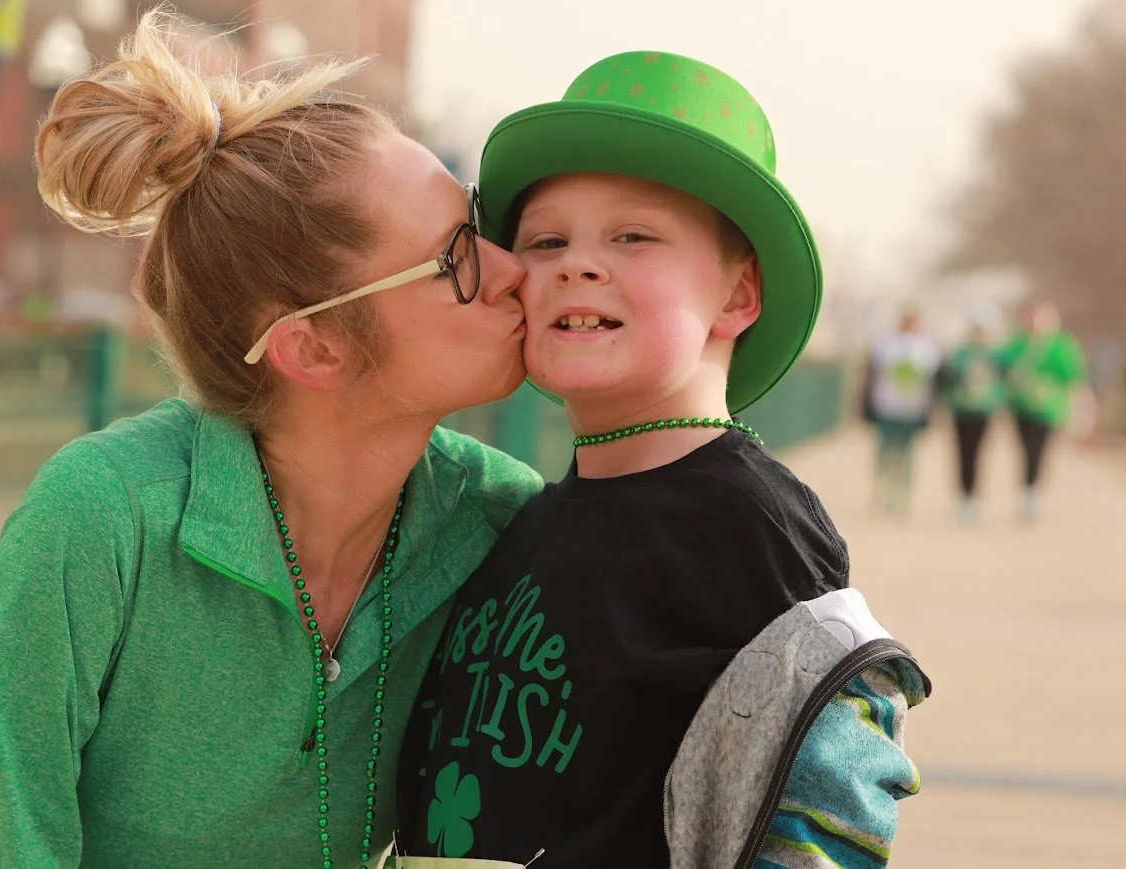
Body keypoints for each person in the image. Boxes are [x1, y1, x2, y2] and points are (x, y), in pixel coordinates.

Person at [0, 12, 543, 869]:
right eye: (456, 257)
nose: (514, 268)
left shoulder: (499, 524)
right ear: (313, 346)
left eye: (479, 226)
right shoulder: (102, 523)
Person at [396, 51, 929, 867]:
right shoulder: (522, 518)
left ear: (738, 296)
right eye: (545, 239)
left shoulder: (749, 524)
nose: (577, 261)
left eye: (634, 235)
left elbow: (835, 796)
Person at [999, 300, 1089, 520]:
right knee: (1024, 448)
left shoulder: (1061, 347)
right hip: (1021, 405)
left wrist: (1080, 402)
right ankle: (1026, 488)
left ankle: (1032, 492)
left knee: (1038, 449)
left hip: (1048, 407)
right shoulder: (1018, 344)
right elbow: (1002, 367)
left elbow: (1073, 375)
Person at [861, 304, 943, 515]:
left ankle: (901, 496)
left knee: (907, 455)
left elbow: (934, 382)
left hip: (913, 409)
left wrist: (932, 410)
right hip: (887, 406)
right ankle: (882, 493)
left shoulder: (928, 347)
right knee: (885, 452)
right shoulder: (884, 344)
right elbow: (871, 374)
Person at [938, 304, 1005, 521]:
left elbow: (1001, 382)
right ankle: (963, 497)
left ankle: (974, 497)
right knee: (962, 454)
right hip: (961, 410)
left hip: (983, 411)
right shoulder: (959, 354)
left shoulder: (994, 356)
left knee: (978, 454)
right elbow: (947, 381)